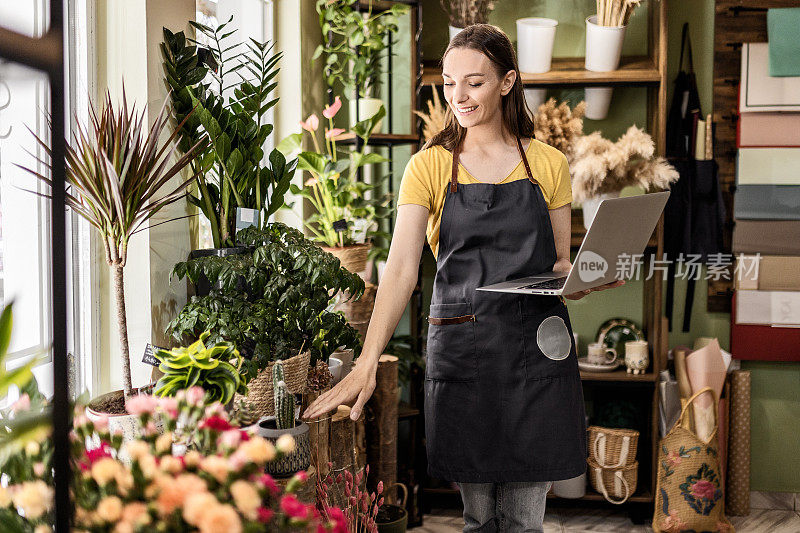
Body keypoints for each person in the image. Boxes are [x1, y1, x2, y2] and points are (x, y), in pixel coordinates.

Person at [303, 24, 624, 533]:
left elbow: (558, 267)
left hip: (536, 352)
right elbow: (403, 269)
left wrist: (591, 276)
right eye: (449, 82)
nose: (458, 95)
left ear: (506, 82)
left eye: (474, 82)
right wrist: (366, 362)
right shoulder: (429, 167)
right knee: (477, 518)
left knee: (523, 520)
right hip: (465, 348)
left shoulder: (548, 164)